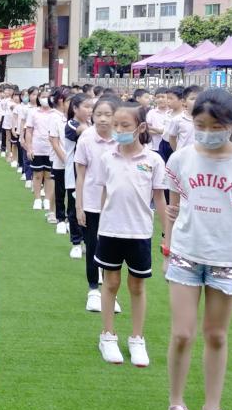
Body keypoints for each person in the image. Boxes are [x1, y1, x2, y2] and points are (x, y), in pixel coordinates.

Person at [163, 88, 232, 410]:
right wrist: (169, 243)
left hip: (226, 255)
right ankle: (176, 402)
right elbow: (173, 207)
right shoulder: (181, 158)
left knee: (216, 335)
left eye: (216, 126)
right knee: (182, 334)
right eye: (200, 125)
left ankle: (212, 406)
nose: (207, 132)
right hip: (186, 252)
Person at [95, 102, 167, 366]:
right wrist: (99, 224)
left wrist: (166, 234)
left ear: (141, 127)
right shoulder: (107, 158)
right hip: (111, 230)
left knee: (137, 286)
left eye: (125, 125)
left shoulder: (153, 160)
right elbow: (105, 192)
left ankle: (137, 338)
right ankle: (107, 336)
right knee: (110, 283)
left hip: (139, 232)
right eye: (116, 125)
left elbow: (159, 198)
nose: (118, 130)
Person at [75, 97, 120, 313]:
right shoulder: (86, 138)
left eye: (107, 115)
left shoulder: (122, 138)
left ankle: (111, 291)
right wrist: (79, 205)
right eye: (98, 114)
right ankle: (93, 289)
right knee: (93, 245)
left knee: (113, 247)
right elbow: (81, 175)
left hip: (116, 203)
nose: (102, 119)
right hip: (92, 201)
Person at [64, 93, 93, 258]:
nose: (90, 110)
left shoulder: (91, 124)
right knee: (75, 208)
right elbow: (84, 131)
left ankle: (88, 241)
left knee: (89, 208)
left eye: (91, 107)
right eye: (86, 107)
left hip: (90, 173)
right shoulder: (72, 124)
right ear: (75, 108)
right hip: (74, 174)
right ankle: (76, 242)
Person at [25, 87, 58, 218]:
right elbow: (29, 131)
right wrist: (29, 148)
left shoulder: (55, 113)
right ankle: (37, 198)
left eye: (48, 96)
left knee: (49, 175)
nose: (45, 99)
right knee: (37, 174)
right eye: (43, 96)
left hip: (51, 149)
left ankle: (48, 199)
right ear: (39, 98)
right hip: (37, 147)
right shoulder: (33, 112)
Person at [48, 87, 71, 235]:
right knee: (60, 191)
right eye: (69, 101)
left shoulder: (75, 119)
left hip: (75, 163)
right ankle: (60, 219)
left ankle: (71, 219)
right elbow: (54, 141)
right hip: (60, 161)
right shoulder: (55, 118)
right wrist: (65, 158)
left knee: (73, 193)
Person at [168, 85, 201, 152]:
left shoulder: (207, 119)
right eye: (193, 99)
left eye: (200, 98)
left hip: (200, 155)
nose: (197, 101)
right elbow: (172, 138)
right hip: (183, 155)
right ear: (184, 102)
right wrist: (177, 152)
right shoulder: (177, 119)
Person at [146, 87, 171, 154]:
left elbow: (172, 132)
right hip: (154, 147)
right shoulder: (151, 113)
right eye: (158, 97)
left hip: (169, 147)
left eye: (163, 97)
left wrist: (156, 130)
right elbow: (147, 129)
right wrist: (163, 132)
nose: (160, 99)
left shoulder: (171, 112)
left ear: (168, 98)